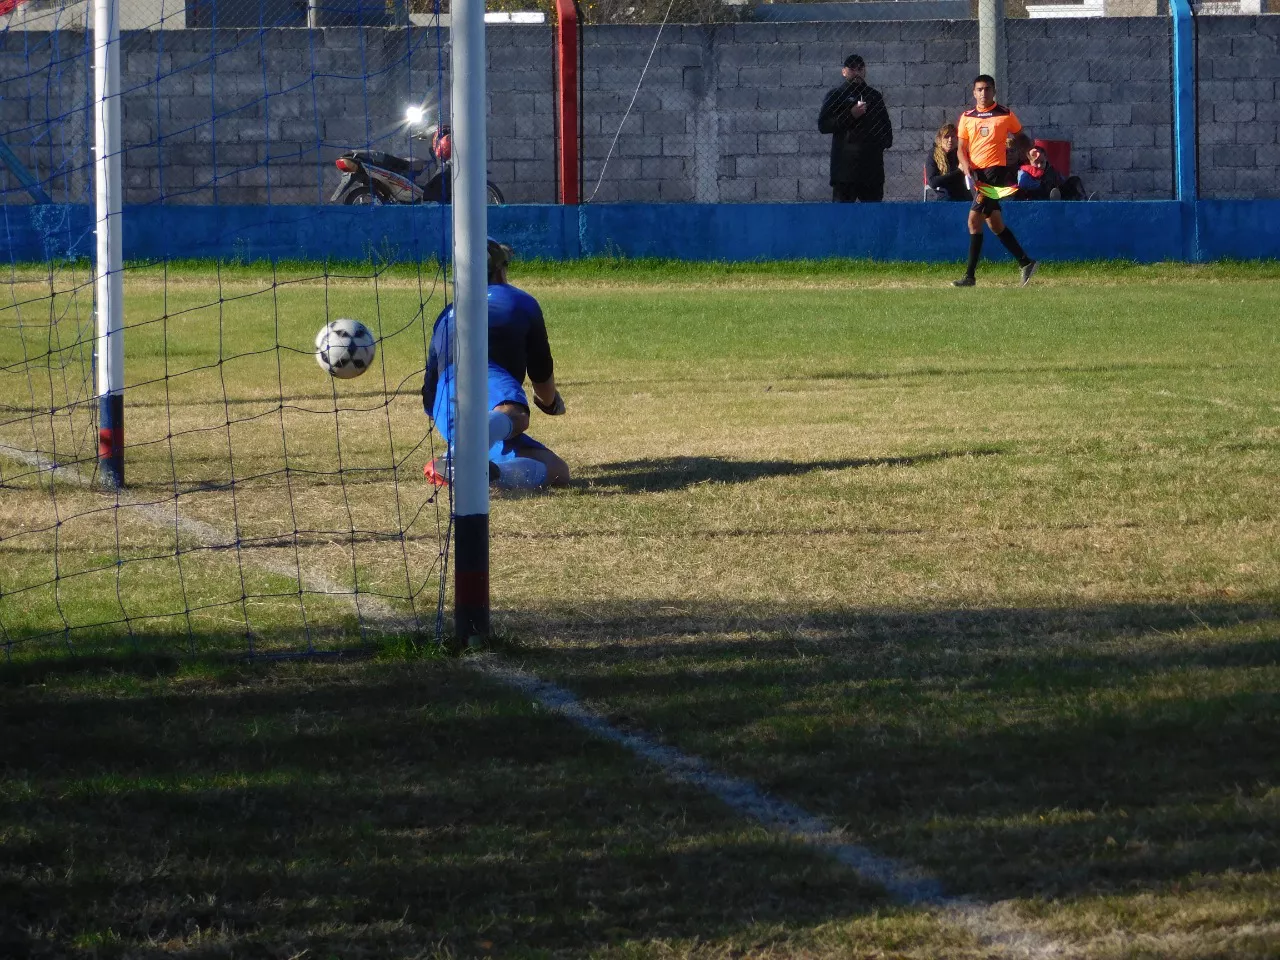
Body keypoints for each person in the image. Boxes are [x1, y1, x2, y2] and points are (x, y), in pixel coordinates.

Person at [421, 238, 570, 491]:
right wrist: (551, 403)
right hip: (481, 374)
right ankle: (460, 455)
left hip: (444, 403)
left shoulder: (447, 312)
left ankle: (482, 473)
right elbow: (541, 378)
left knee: (557, 471)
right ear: (501, 270)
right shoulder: (521, 302)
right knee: (516, 413)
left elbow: (429, 394)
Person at [953, 74, 1038, 288]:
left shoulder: (1005, 114)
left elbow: (1021, 137)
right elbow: (961, 149)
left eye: (987, 89)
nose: (983, 93)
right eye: (980, 89)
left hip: (994, 173)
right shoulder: (967, 117)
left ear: (994, 91)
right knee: (994, 223)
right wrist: (965, 165)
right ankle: (1026, 262)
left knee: (974, 221)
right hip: (977, 174)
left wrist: (1030, 152)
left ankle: (970, 276)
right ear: (973, 92)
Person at [818, 54, 893, 203]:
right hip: (845, 172)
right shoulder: (836, 95)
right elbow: (824, 125)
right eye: (852, 69)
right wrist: (850, 115)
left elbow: (886, 126)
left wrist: (880, 145)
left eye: (860, 68)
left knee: (873, 216)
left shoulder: (874, 96)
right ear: (844, 71)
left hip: (872, 171)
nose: (857, 72)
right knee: (842, 218)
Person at [1016, 140, 1088, 201]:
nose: (1039, 166)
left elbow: (1062, 182)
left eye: (1042, 162)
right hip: (1036, 197)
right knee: (1044, 186)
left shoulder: (1050, 171)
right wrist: (1041, 182)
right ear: (1029, 162)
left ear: (1046, 159)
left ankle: (1084, 202)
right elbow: (1023, 184)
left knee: (1075, 180)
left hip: (1054, 194)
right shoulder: (1024, 172)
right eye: (1036, 163)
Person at [925, 123, 968, 201]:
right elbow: (933, 182)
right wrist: (959, 171)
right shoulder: (934, 154)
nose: (950, 140)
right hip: (946, 196)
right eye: (946, 137)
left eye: (953, 136)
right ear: (940, 139)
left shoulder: (960, 153)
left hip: (963, 194)